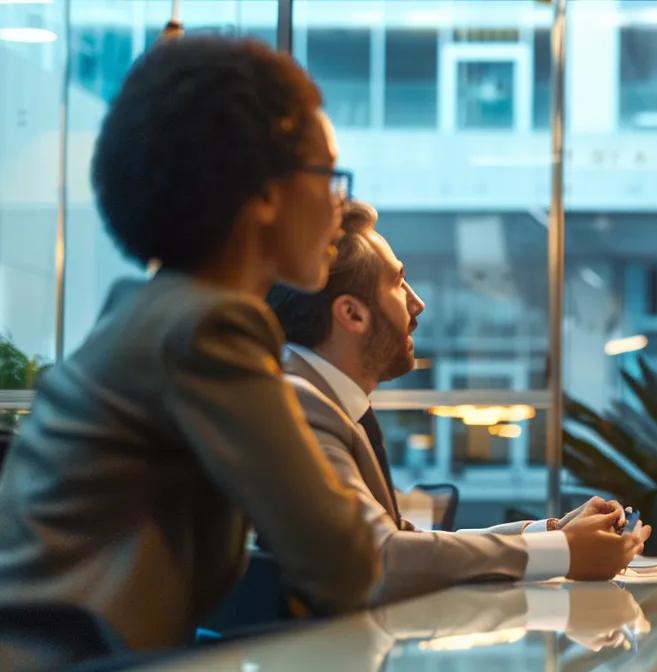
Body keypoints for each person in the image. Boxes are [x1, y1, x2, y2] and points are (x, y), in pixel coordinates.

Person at [0, 37, 378, 654]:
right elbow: (344, 561)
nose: (341, 206)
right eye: (328, 176)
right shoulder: (209, 329)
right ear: (263, 191)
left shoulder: (149, 310)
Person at [264, 201, 650, 604]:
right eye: (398, 283)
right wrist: (562, 553)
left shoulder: (322, 401)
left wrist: (554, 533)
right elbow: (383, 558)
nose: (418, 303)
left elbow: (403, 542)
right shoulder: (301, 407)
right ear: (351, 314)